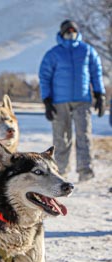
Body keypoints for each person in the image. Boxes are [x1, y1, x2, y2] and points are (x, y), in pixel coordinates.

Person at [39, 20, 106, 182]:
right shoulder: (53, 53)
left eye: (73, 31)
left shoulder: (87, 51)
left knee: (84, 135)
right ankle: (60, 170)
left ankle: (85, 171)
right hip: (59, 101)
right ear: (62, 33)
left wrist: (100, 94)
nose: (71, 33)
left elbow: (96, 73)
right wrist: (47, 100)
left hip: (82, 100)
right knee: (61, 138)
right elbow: (44, 77)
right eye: (67, 31)